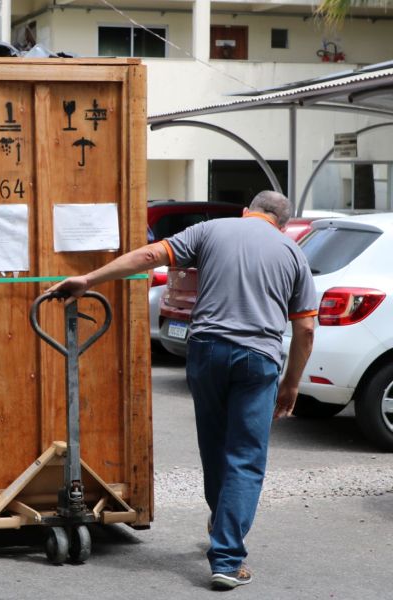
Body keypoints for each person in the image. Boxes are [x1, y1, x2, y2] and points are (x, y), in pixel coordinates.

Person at [48, 191, 316, 590]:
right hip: (257, 358)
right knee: (245, 456)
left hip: (206, 351)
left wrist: (89, 279)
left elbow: (148, 257)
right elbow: (306, 328)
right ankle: (226, 558)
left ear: (247, 212)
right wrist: (291, 384)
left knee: (214, 445)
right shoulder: (293, 253)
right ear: (282, 223)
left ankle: (221, 520)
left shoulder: (210, 230)